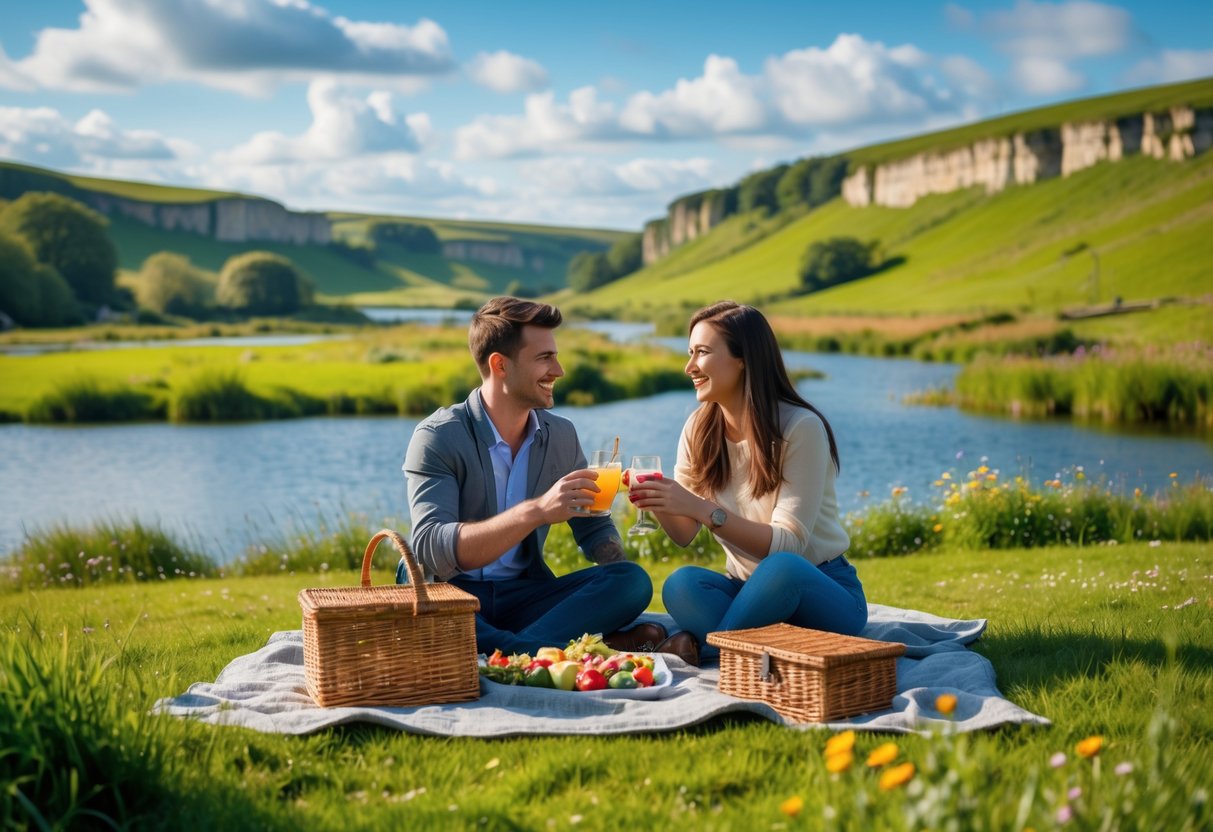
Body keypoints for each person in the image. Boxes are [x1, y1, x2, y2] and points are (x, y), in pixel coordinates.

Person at [402, 296, 665, 656]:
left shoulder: (560, 436)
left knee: (632, 582)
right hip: (451, 593)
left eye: (555, 356)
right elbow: (431, 547)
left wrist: (611, 579)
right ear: (500, 365)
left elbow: (592, 525)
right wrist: (538, 511)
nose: (559, 371)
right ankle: (539, 652)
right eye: (545, 358)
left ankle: (511, 649)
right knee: (429, 607)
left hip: (526, 597)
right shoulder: (439, 436)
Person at [627, 301, 867, 666]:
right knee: (682, 584)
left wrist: (700, 508)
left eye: (702, 353)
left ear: (743, 359)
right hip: (745, 593)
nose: (689, 367)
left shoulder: (800, 428)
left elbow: (788, 544)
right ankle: (758, 646)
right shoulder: (698, 428)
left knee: (781, 568)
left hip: (819, 589)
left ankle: (703, 650)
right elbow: (683, 534)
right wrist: (658, 500)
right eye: (689, 353)